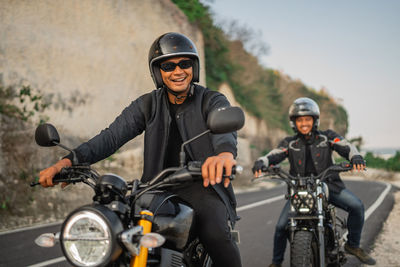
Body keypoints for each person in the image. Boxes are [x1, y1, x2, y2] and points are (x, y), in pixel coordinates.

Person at [39, 32, 242, 267]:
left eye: (184, 64)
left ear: (193, 67)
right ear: (158, 72)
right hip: (154, 188)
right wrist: (67, 162)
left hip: (203, 185)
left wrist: (224, 154)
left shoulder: (211, 100)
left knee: (216, 234)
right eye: (168, 66)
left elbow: (223, 129)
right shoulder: (147, 104)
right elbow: (110, 137)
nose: (178, 72)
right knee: (115, 235)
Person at [252, 97, 376, 267]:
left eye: (307, 119)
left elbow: (345, 145)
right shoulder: (290, 143)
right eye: (300, 120)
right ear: (294, 123)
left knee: (357, 206)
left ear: (314, 120)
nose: (304, 123)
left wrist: (355, 157)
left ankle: (353, 245)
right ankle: (276, 263)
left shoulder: (327, 137)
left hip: (329, 186)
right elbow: (274, 154)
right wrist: (262, 162)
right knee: (281, 227)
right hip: (299, 190)